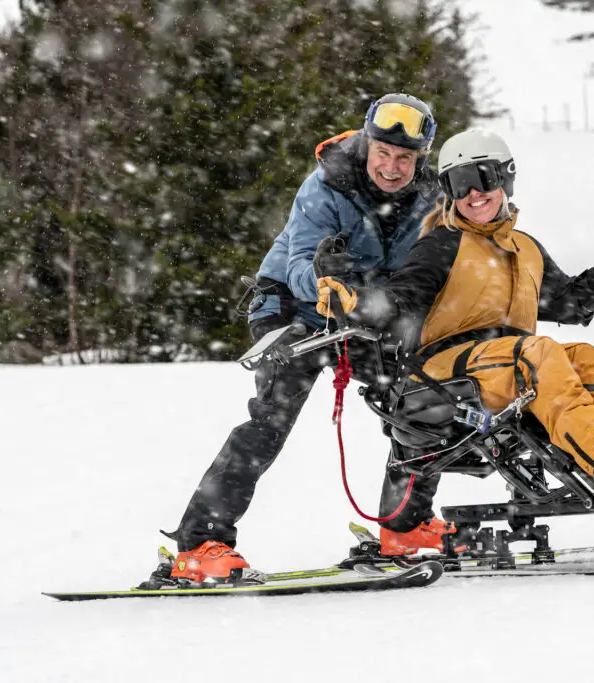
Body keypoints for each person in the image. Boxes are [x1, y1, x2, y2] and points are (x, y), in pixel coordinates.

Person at [316, 128, 594, 555]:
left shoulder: (526, 249)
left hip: (507, 363)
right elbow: (400, 299)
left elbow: (570, 304)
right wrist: (354, 300)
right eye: (459, 185)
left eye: (484, 178)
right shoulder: (441, 244)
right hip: (444, 370)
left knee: (583, 356)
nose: (474, 194)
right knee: (538, 353)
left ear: (506, 179)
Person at [166, 93, 441, 583]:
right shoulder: (326, 184)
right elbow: (297, 263)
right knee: (269, 423)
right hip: (294, 309)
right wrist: (324, 278)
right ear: (366, 143)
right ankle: (200, 544)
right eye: (384, 153)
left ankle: (405, 526)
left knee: (417, 406)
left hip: (365, 312)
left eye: (405, 158)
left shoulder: (428, 198)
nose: (393, 167)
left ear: (419, 160)